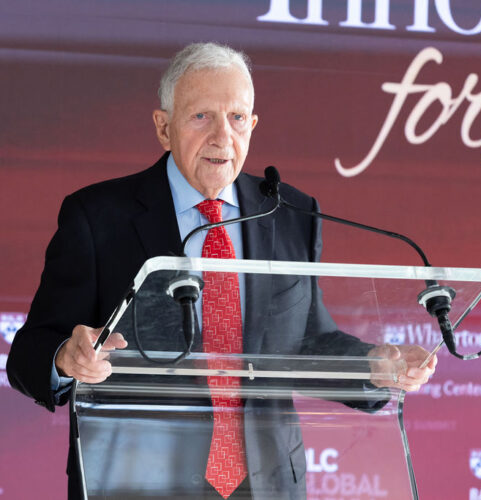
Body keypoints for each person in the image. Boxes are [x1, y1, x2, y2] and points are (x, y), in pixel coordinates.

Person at [7, 42, 436, 500]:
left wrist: (373, 367)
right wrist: (65, 360)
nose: (222, 137)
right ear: (163, 127)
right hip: (135, 480)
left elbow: (309, 340)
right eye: (201, 117)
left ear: (252, 125)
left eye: (236, 118)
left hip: (267, 483)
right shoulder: (97, 217)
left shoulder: (291, 214)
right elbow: (30, 352)